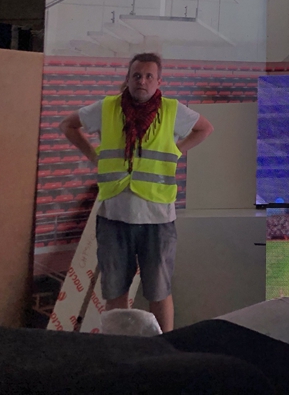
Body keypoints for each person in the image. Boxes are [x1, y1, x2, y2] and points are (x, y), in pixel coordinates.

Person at [59, 52, 214, 332]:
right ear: (128, 78)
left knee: (159, 291)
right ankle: (120, 350)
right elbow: (68, 125)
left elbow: (205, 128)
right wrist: (93, 155)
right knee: (115, 291)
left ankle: (164, 349)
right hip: (114, 216)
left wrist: (178, 151)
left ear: (158, 81)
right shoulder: (107, 107)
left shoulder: (172, 110)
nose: (142, 81)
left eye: (148, 76)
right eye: (137, 75)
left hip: (157, 218)